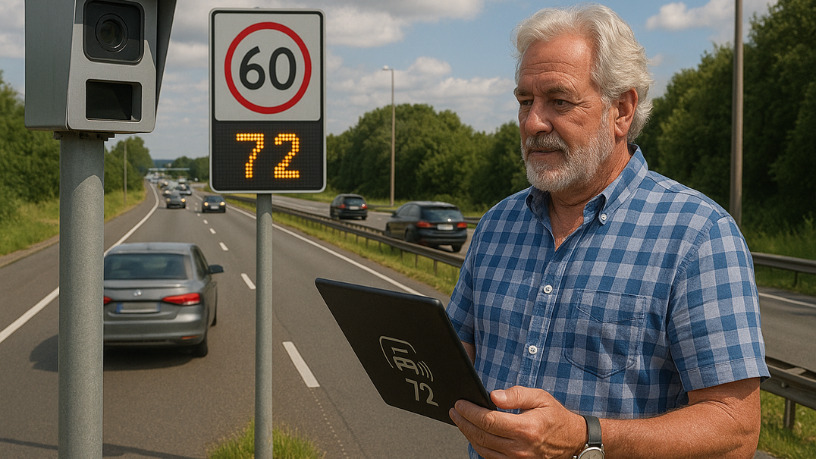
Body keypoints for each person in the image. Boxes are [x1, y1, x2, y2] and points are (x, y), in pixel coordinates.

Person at [446, 4, 769, 459]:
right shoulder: (497, 224)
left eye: (559, 101)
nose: (533, 123)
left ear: (621, 110)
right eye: (525, 101)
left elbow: (735, 430)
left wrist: (585, 438)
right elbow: (455, 353)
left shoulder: (698, 235)